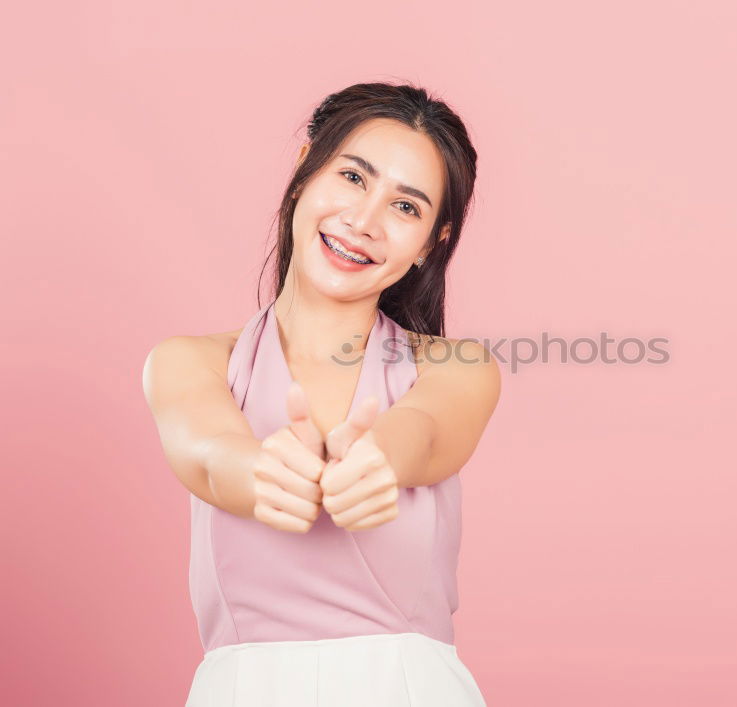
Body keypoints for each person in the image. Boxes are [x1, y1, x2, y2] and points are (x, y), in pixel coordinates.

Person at [141, 82, 500, 705]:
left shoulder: (457, 366)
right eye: (354, 178)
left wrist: (382, 456)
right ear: (305, 169)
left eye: (406, 208)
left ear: (431, 244)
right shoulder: (190, 362)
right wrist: (256, 471)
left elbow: (431, 428)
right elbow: (206, 450)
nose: (363, 222)